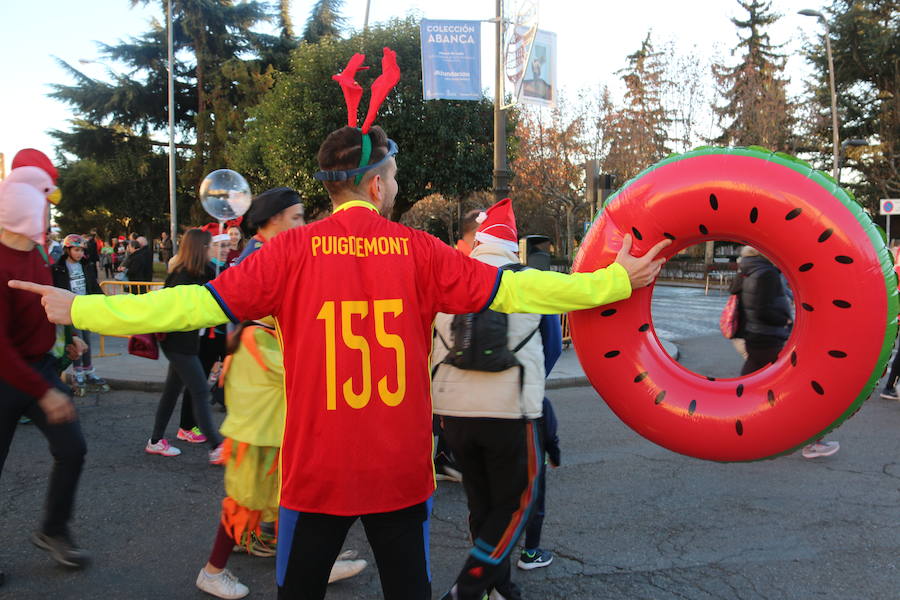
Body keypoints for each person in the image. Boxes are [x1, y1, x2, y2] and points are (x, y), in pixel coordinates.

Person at [12, 52, 668, 600]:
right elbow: (521, 288)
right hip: (398, 470)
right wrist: (614, 281)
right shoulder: (420, 251)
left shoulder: (287, 255)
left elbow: (188, 306)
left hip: (317, 470)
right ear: (377, 184)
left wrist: (83, 308)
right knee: (410, 588)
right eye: (394, 175)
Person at [431, 198, 563, 600]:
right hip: (509, 411)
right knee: (517, 503)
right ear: (513, 244)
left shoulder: (449, 278)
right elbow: (553, 348)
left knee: (481, 503)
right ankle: (468, 588)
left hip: (454, 415)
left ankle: (499, 585)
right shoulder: (529, 280)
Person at [195, 319, 367, 599]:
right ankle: (212, 573)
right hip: (255, 444)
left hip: (271, 440)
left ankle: (315, 565)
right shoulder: (258, 337)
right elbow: (300, 369)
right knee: (242, 506)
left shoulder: (260, 333)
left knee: (288, 504)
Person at [0, 149, 90, 575]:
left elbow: (49, 300)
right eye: (42, 210)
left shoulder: (33, 252)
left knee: (72, 449)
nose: (49, 220)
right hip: (6, 376)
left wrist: (71, 336)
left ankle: (53, 529)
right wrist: (45, 394)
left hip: (38, 368)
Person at [733, 246, 839, 459]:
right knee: (798, 390)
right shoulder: (768, 273)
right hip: (770, 337)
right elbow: (764, 309)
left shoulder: (747, 270)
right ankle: (812, 442)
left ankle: (739, 429)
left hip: (754, 337)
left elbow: (749, 305)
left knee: (747, 388)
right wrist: (785, 319)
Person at [145, 228, 224, 461]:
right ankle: (217, 446)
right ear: (200, 249)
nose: (214, 249)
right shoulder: (182, 276)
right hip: (178, 344)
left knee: (171, 391)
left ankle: (156, 440)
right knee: (199, 391)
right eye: (210, 246)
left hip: (185, 342)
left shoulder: (201, 272)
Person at [51, 234, 108, 393]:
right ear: (67, 250)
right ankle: (78, 373)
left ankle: (89, 370)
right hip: (70, 310)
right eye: (76, 250)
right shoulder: (58, 268)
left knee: (87, 341)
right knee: (76, 342)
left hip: (86, 308)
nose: (79, 254)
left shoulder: (86, 265)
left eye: (82, 250)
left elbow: (93, 285)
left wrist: (102, 301)